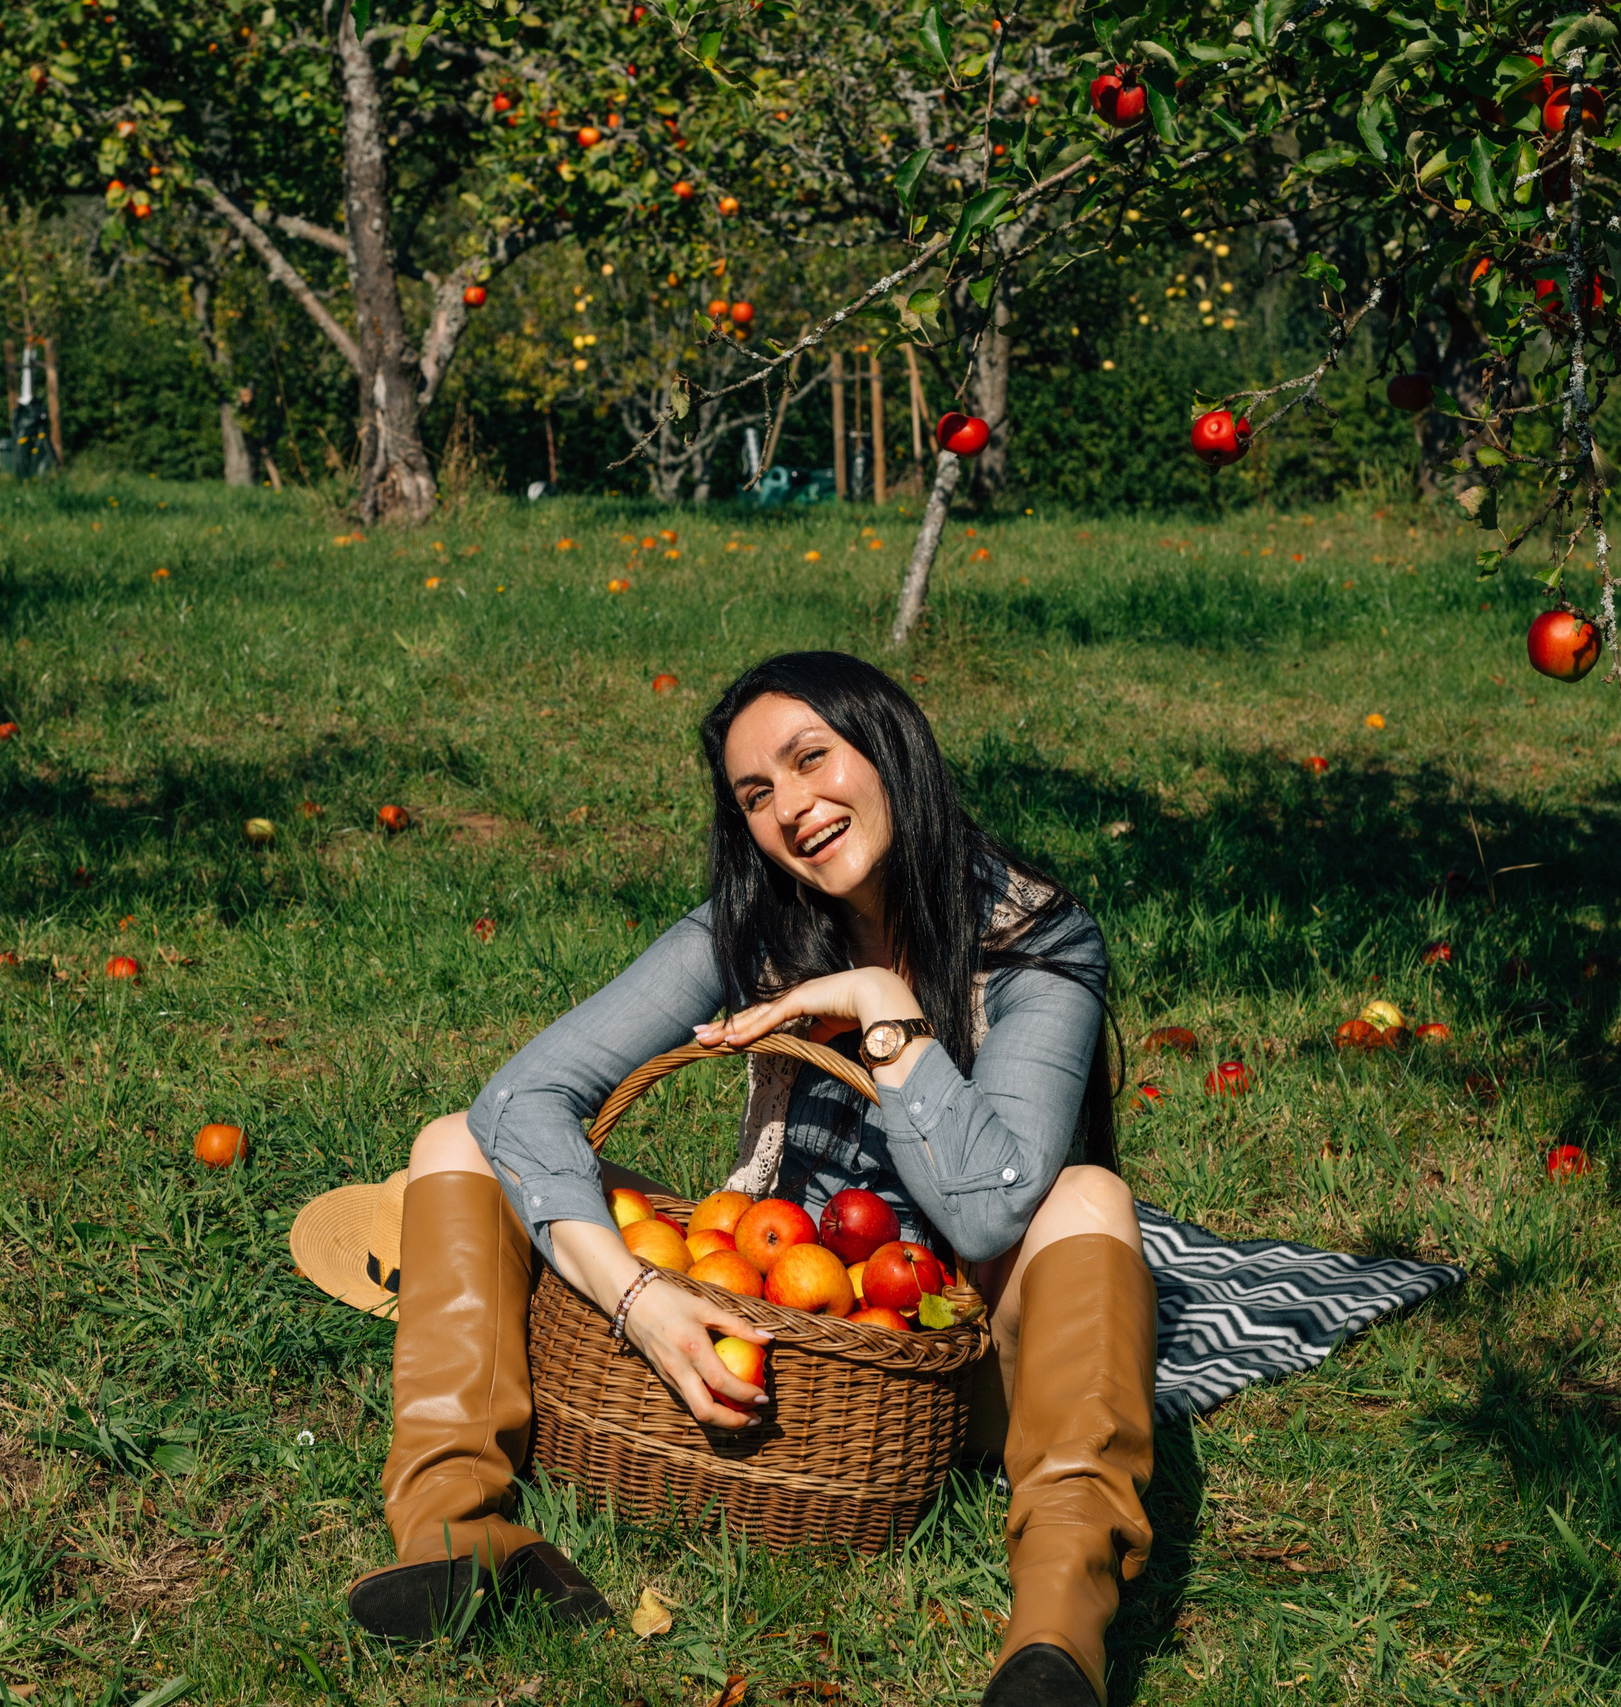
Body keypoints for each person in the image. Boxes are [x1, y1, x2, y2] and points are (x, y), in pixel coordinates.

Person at [345, 650, 1151, 1707]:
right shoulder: (753, 924)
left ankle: (1057, 1637)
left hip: (951, 1346)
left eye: (812, 759)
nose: (793, 810)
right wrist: (637, 1299)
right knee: (456, 1142)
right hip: (777, 1303)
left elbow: (989, 1206)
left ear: (891, 748)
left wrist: (881, 1010)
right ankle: (459, 1524)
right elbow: (517, 1101)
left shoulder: (1034, 937)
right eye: (757, 795)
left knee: (1090, 1200)